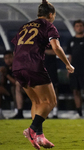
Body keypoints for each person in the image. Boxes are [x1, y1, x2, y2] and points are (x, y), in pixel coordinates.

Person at [11, 0, 74, 149]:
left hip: (17, 66)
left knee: (37, 102)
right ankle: (32, 130)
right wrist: (67, 64)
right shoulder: (48, 25)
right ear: (50, 14)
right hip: (33, 65)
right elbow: (56, 47)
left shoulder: (24, 26)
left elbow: (17, 47)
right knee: (50, 101)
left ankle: (39, 136)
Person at [66, 19, 84, 119]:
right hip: (74, 69)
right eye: (77, 26)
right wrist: (68, 68)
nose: (79, 27)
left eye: (81, 26)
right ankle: (79, 112)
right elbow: (70, 56)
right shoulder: (71, 40)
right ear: (74, 28)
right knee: (75, 91)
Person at [0, 51, 24, 119]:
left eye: (10, 57)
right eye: (6, 58)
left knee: (14, 88)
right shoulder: (5, 68)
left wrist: (6, 75)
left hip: (22, 89)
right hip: (9, 90)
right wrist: (2, 74)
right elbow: (2, 83)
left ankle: (17, 111)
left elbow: (16, 82)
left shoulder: (18, 67)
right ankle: (0, 112)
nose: (8, 60)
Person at [45, 46, 59, 118]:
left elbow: (56, 51)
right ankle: (45, 112)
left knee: (53, 90)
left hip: (51, 69)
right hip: (40, 68)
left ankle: (55, 112)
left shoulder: (53, 39)